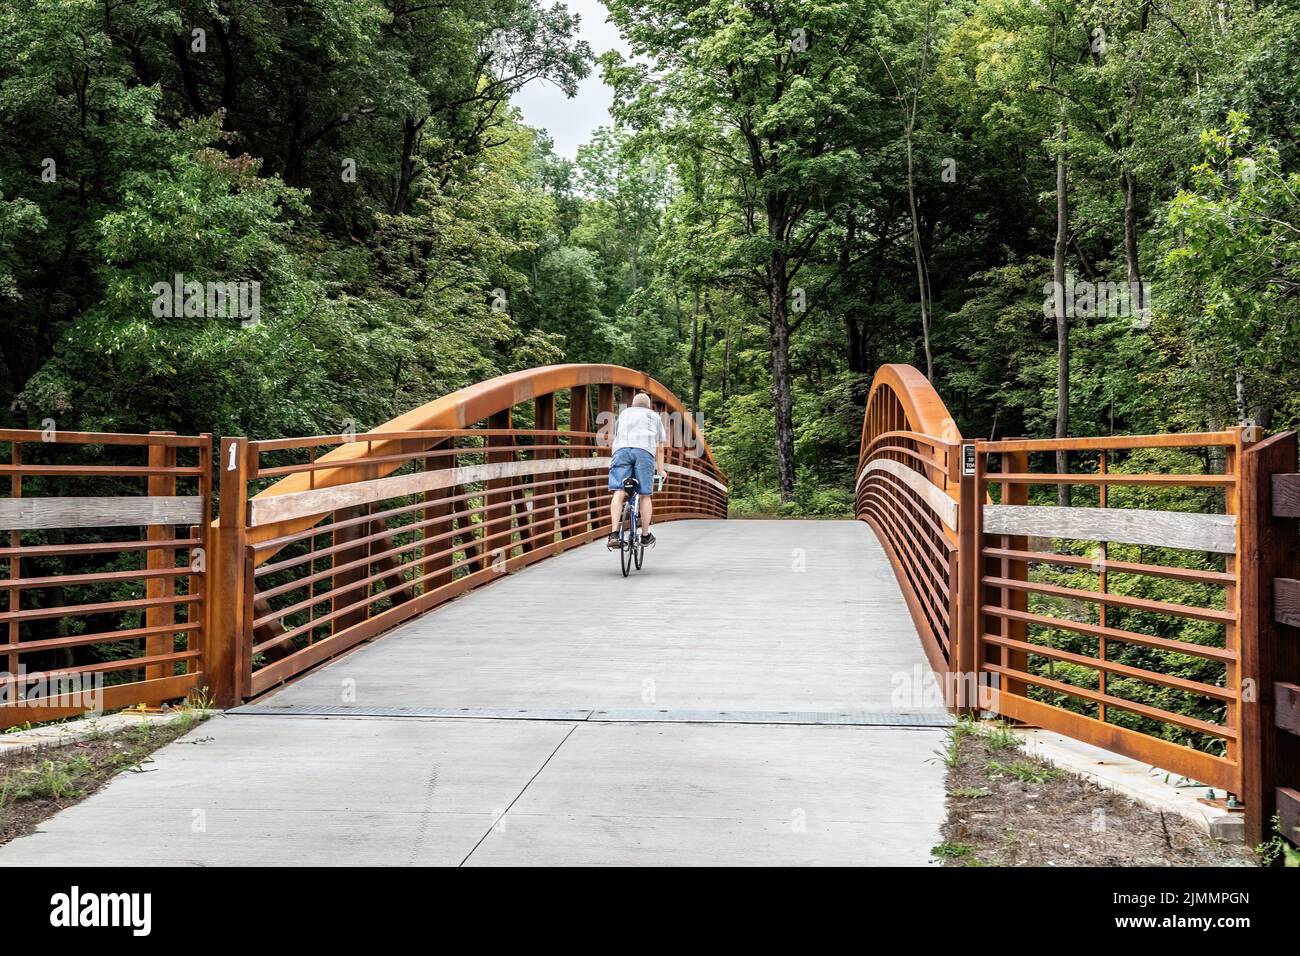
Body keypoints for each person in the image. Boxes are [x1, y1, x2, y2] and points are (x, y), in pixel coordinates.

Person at [606, 391, 667, 548]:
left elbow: (616, 437)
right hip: (644, 452)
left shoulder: (625, 413)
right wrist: (661, 470)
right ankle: (645, 536)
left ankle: (613, 534)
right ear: (648, 406)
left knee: (619, 491)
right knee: (645, 495)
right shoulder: (654, 416)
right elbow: (660, 448)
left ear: (633, 405)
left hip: (621, 451)